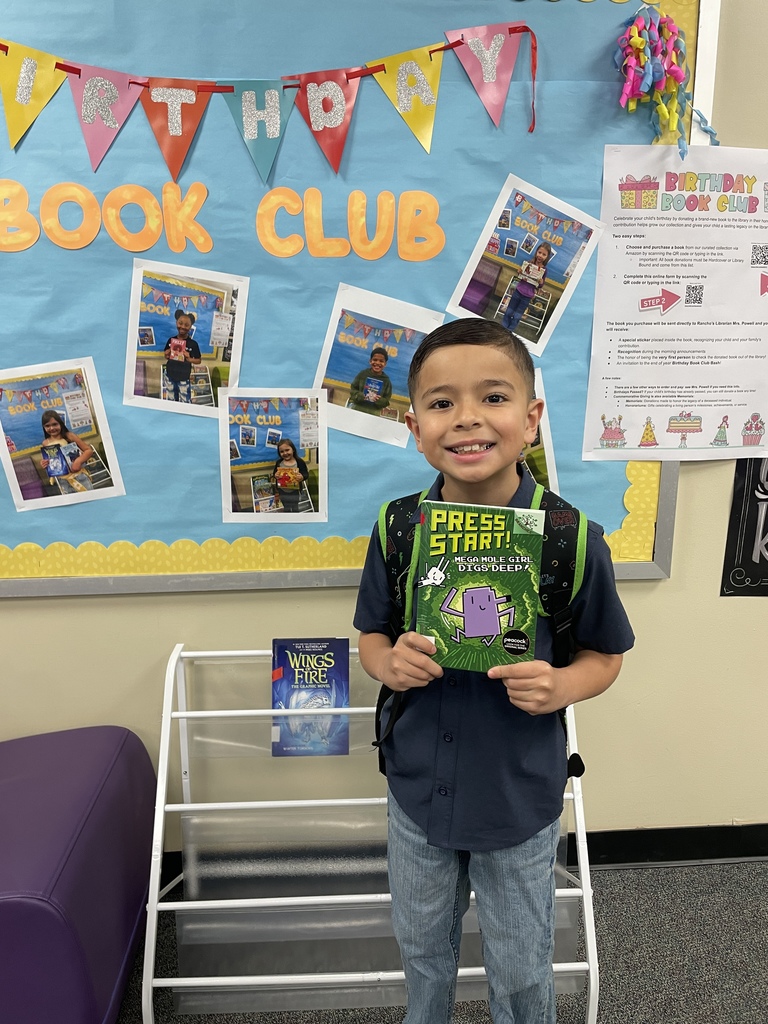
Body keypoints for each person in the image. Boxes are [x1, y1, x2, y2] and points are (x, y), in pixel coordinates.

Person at [353, 319, 634, 1024]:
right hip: (417, 791)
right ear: (414, 425)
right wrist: (390, 661)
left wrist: (564, 685)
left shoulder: (571, 539)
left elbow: (606, 656)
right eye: (443, 403)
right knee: (422, 952)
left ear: (531, 418)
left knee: (519, 964)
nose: (469, 418)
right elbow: (372, 636)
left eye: (495, 398)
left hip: (517, 796)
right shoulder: (398, 530)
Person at [502, 241, 552, 335]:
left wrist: (541, 282)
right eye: (539, 252)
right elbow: (520, 276)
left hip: (528, 296)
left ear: (547, 257)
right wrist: (519, 272)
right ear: (536, 252)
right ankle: (503, 328)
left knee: (517, 316)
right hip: (518, 291)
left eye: (544, 254)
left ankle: (509, 332)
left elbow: (540, 285)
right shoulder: (528, 263)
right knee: (509, 311)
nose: (540, 256)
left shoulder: (544, 270)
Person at [39, 410, 94, 493]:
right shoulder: (45, 443)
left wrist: (78, 461)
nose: (52, 428)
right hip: (63, 481)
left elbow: (88, 450)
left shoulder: (70, 436)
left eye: (55, 424)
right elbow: (51, 461)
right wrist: (44, 463)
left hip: (79, 477)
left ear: (60, 423)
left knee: (90, 499)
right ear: (44, 427)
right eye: (47, 426)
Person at [163, 310, 201, 402]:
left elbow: (199, 360)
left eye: (186, 325)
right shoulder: (171, 340)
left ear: (190, 326)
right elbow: (166, 356)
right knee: (171, 400)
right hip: (170, 375)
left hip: (184, 377)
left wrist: (189, 358)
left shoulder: (193, 344)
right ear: (176, 323)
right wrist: (167, 354)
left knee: (185, 401)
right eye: (180, 323)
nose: (183, 327)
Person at [348, 346, 393, 415]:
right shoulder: (362, 374)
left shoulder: (386, 381)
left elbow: (386, 401)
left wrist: (379, 400)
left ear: (385, 364)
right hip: (357, 409)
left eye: (381, 361)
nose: (377, 363)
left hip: (374, 413)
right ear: (370, 361)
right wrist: (359, 396)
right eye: (375, 360)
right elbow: (353, 389)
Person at [270, 438, 309, 513]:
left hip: (295, 491)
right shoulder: (279, 463)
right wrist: (276, 475)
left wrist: (302, 477)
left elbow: (306, 474)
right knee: (286, 508)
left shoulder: (299, 462)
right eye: (281, 451)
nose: (285, 453)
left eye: (287, 450)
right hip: (282, 491)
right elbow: (275, 474)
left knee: (295, 507)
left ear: (293, 450)